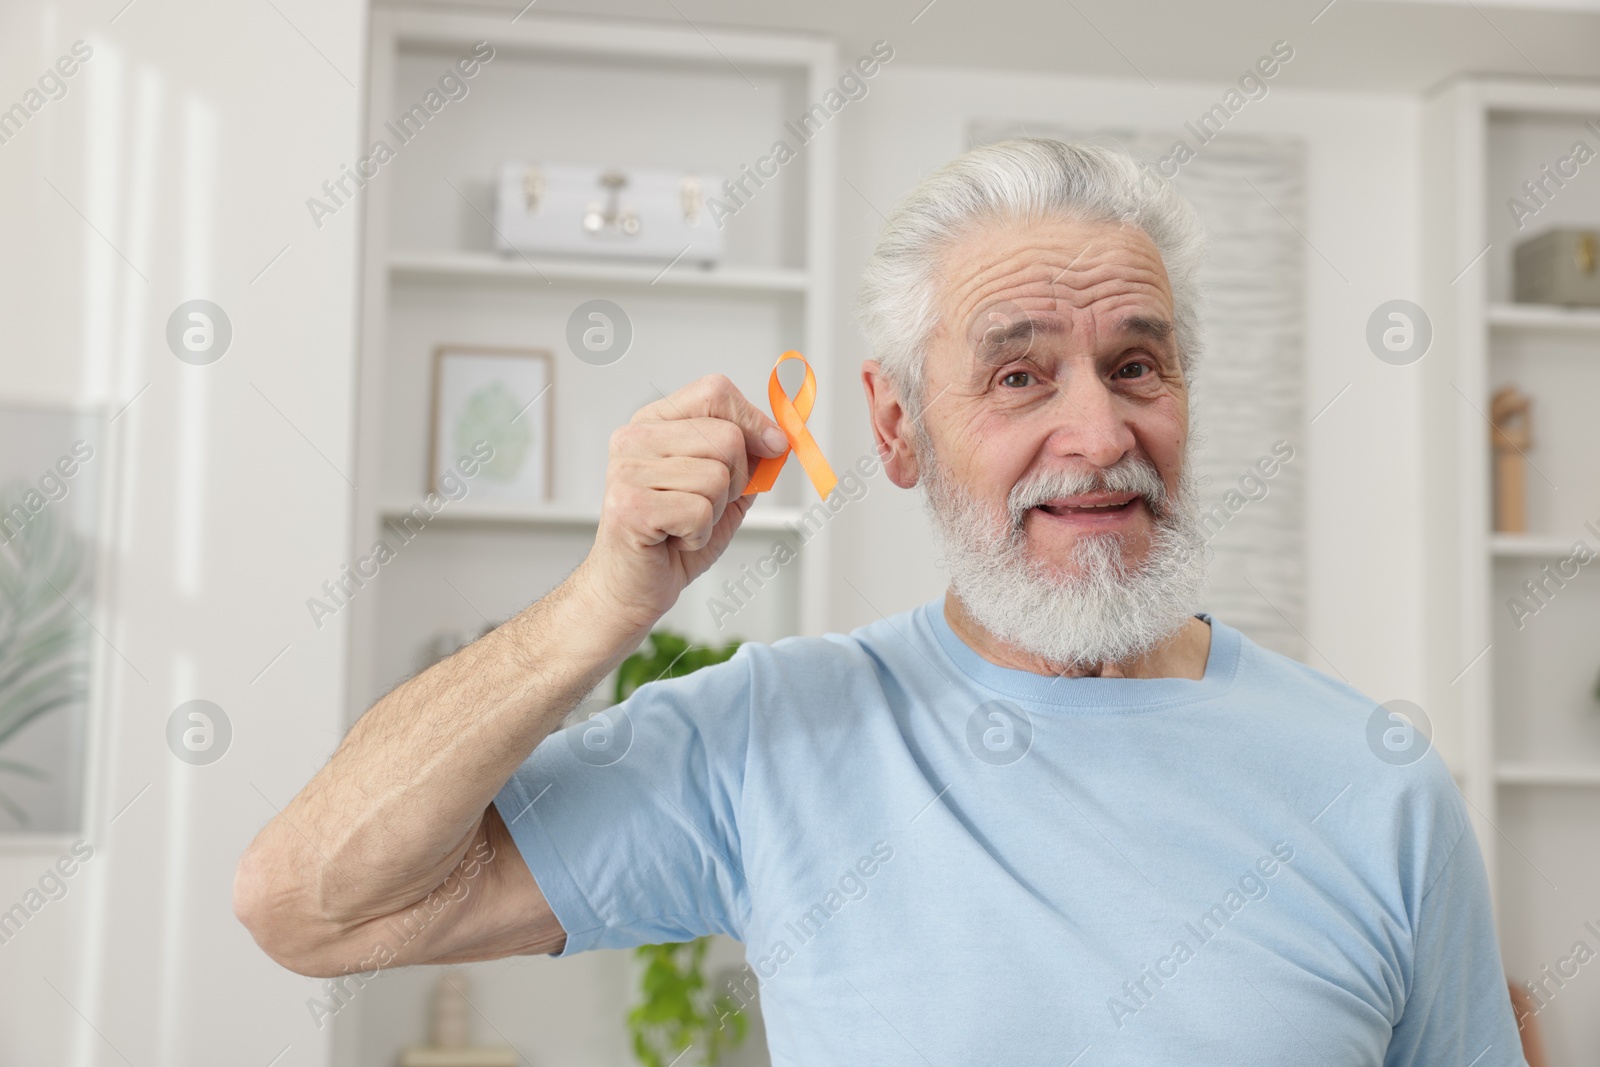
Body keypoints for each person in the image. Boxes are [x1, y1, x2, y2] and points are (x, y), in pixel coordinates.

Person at [235, 139, 1525, 1065]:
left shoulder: (1378, 780)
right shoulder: (772, 736)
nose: (1098, 431)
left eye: (1137, 365)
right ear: (898, 428)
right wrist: (601, 604)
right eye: (1019, 375)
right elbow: (310, 907)